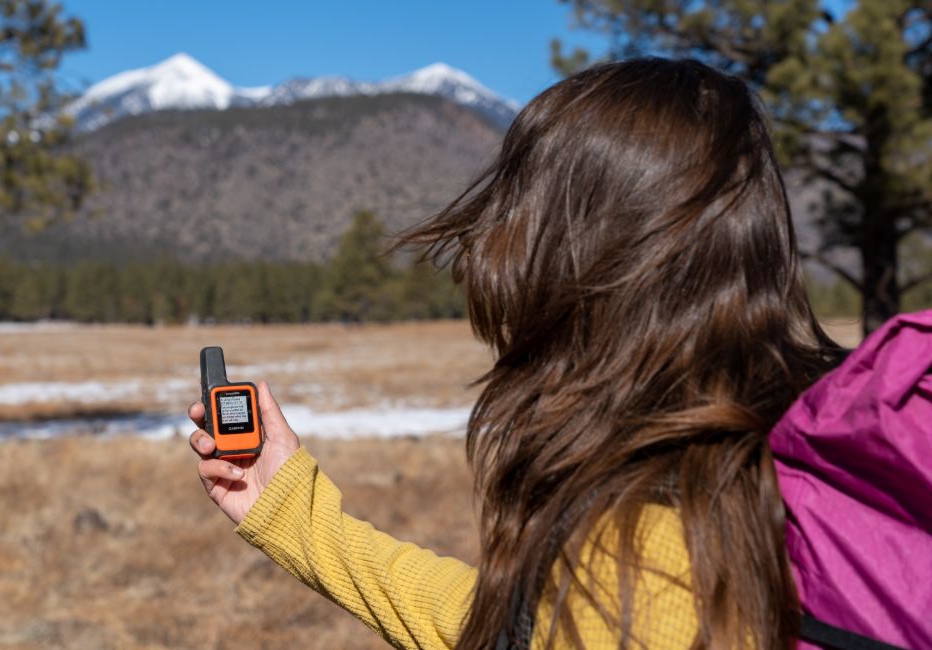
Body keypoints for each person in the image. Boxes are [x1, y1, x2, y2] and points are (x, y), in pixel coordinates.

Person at [187, 57, 847, 649]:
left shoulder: (644, 558)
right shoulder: (791, 457)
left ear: (578, 263)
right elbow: (517, 628)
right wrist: (294, 515)